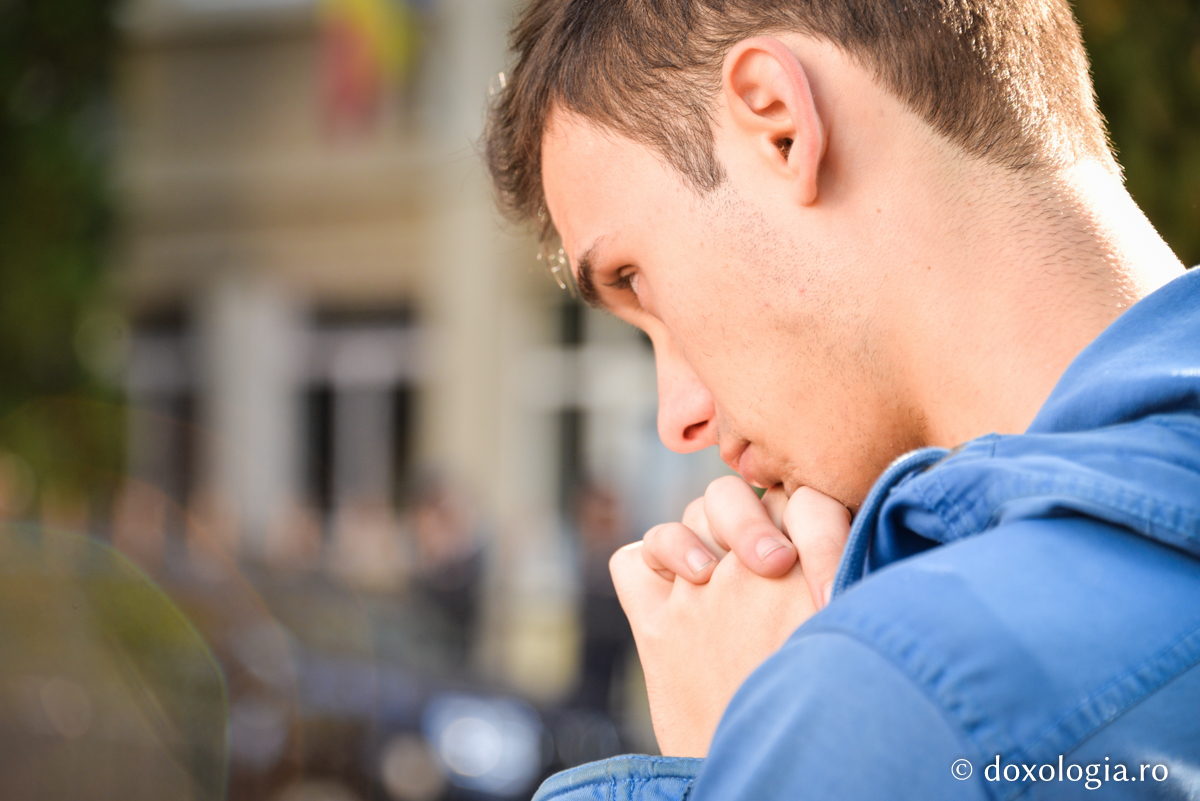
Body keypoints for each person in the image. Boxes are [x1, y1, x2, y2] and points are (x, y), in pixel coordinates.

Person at [483, 1, 1200, 798]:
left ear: (780, 125)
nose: (676, 416)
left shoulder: (899, 694)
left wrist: (744, 748)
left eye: (635, 280)